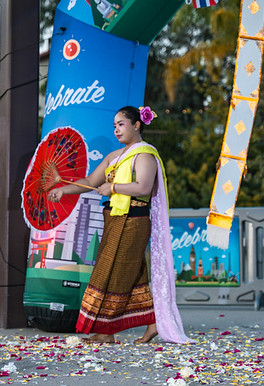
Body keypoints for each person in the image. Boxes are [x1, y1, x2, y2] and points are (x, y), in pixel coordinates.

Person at [48, 105, 191, 344]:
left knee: (112, 271)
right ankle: (153, 321)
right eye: (114, 125)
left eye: (121, 124)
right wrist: (63, 189)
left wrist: (112, 187)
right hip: (115, 218)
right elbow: (91, 181)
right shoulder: (115, 157)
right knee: (132, 273)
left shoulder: (144, 154)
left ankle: (105, 331)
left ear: (137, 125)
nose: (116, 129)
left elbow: (143, 187)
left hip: (134, 220)